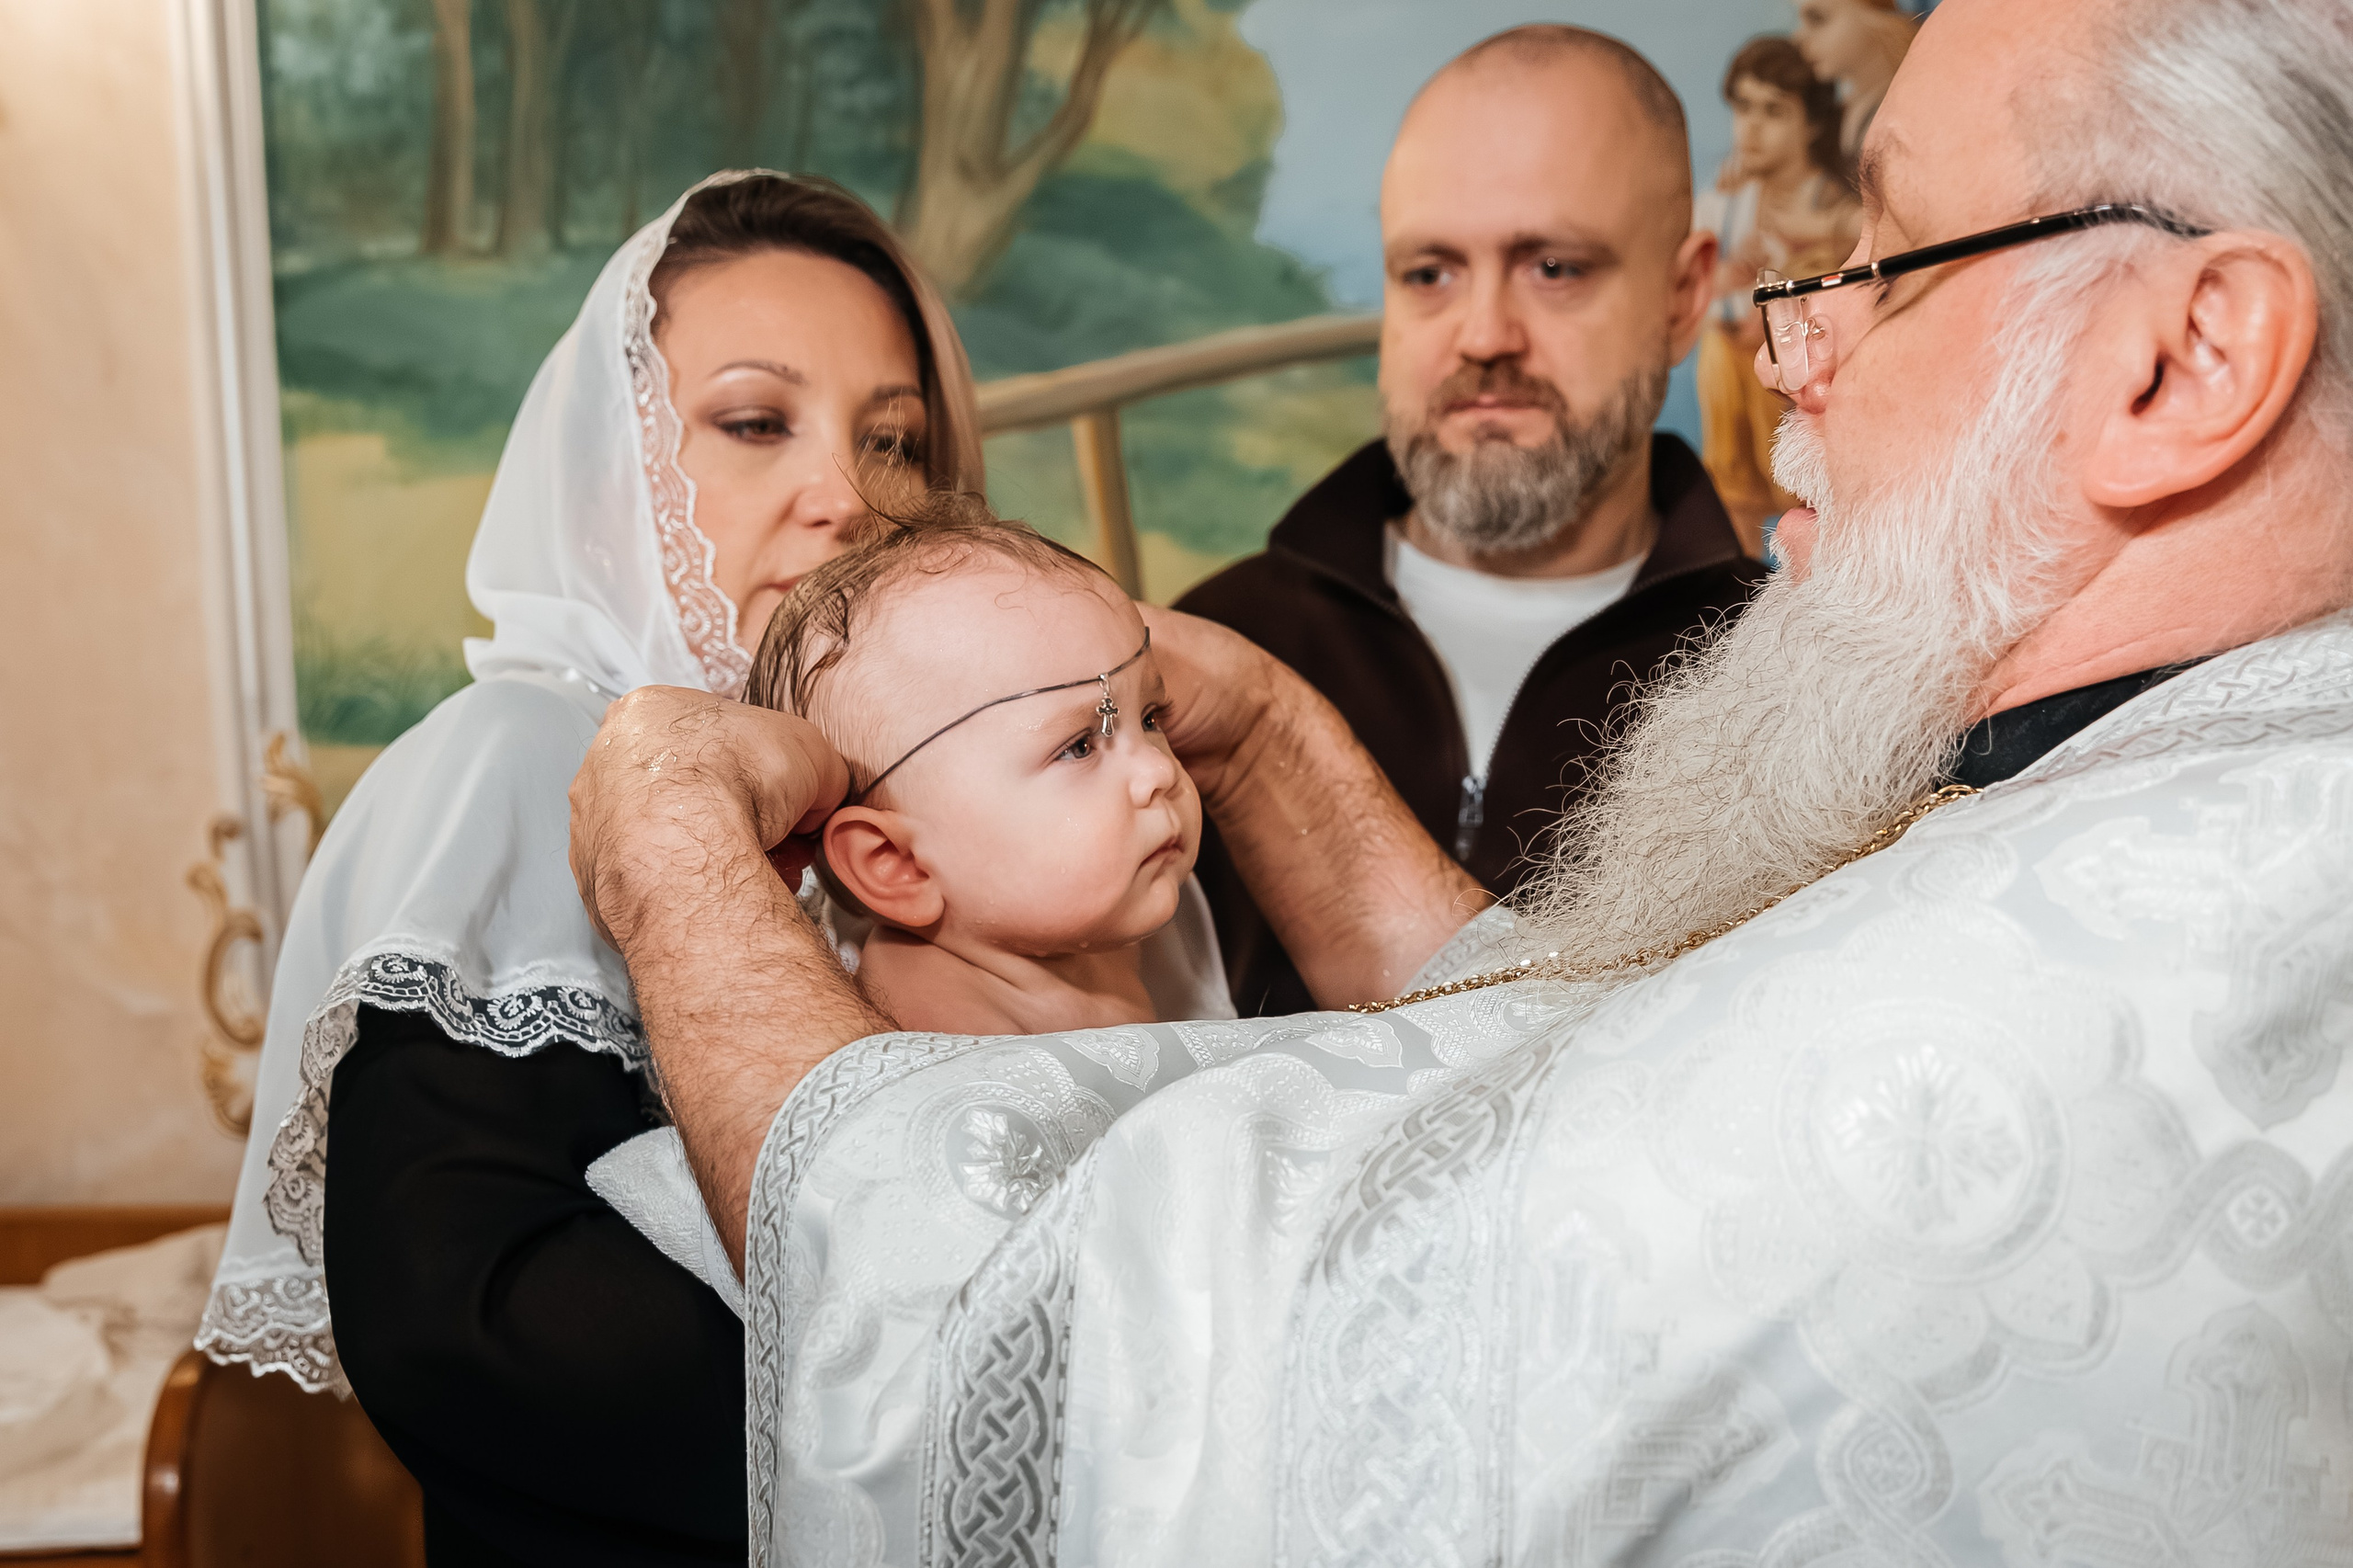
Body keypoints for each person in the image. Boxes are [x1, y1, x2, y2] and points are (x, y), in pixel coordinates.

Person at [571, 0, 2353, 1556]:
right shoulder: (2165, 801)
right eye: (1427, 269)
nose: (1789, 351)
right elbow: (1574, 1077)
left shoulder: (2092, 974)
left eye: (1875, 263)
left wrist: (674, 857)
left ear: (2186, 359)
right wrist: (1267, 732)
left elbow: (1066, 1355)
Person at [197, 171, 983, 1564]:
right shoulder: (522, 754)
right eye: (753, 423)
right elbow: (465, 1315)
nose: (846, 497)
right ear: (608, 475)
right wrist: (977, 1442)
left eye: (894, 439)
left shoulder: (974, 796)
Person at [1176, 27, 1759, 1017]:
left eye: (1556, 268)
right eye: (1430, 274)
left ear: (1682, 294)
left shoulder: (1790, 679)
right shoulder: (1213, 653)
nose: (1484, 335)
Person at [742, 499, 1227, 1034]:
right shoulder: (936, 1036)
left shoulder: (1116, 915)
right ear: (898, 864)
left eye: (1152, 717)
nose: (1158, 773)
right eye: (1078, 747)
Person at [1694, 35, 1859, 551]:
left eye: (1774, 111)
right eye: (1743, 108)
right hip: (1740, 386)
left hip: (1810, 392)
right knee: (1723, 353)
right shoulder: (1724, 203)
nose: (1753, 127)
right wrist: (1726, 287)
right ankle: (1738, 554)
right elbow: (1696, 298)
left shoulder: (1837, 205)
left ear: (1811, 123)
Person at [1791, 0, 1917, 171]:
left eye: (1817, 18)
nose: (1799, 37)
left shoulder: (1904, 117)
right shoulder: (1848, 111)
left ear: (1874, 13)